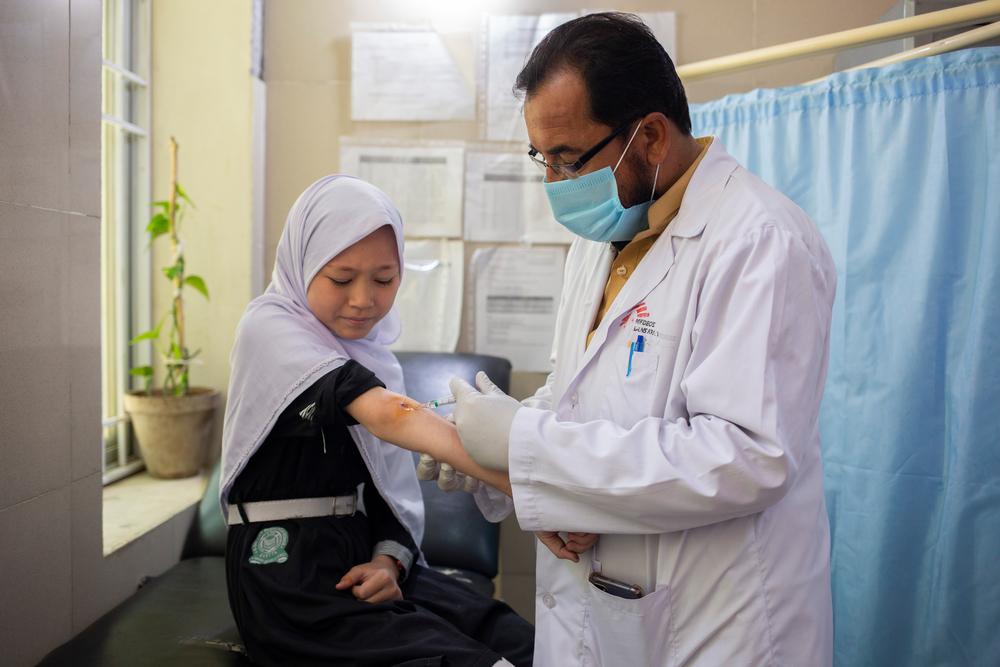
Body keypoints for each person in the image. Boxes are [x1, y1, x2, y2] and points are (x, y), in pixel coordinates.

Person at [442, 12, 836, 667]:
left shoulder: (761, 241)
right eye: (542, 160)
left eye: (568, 161)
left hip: (719, 617)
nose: (554, 186)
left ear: (650, 135)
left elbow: (745, 454)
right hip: (607, 599)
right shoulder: (600, 241)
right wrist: (487, 456)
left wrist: (523, 443)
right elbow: (580, 399)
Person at [220, 175, 533, 667]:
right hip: (287, 575)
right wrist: (528, 485)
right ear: (302, 266)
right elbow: (387, 415)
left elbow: (386, 491)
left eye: (384, 280)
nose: (364, 299)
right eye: (341, 279)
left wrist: (389, 561)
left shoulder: (372, 358)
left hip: (361, 555)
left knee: (518, 640)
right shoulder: (271, 328)